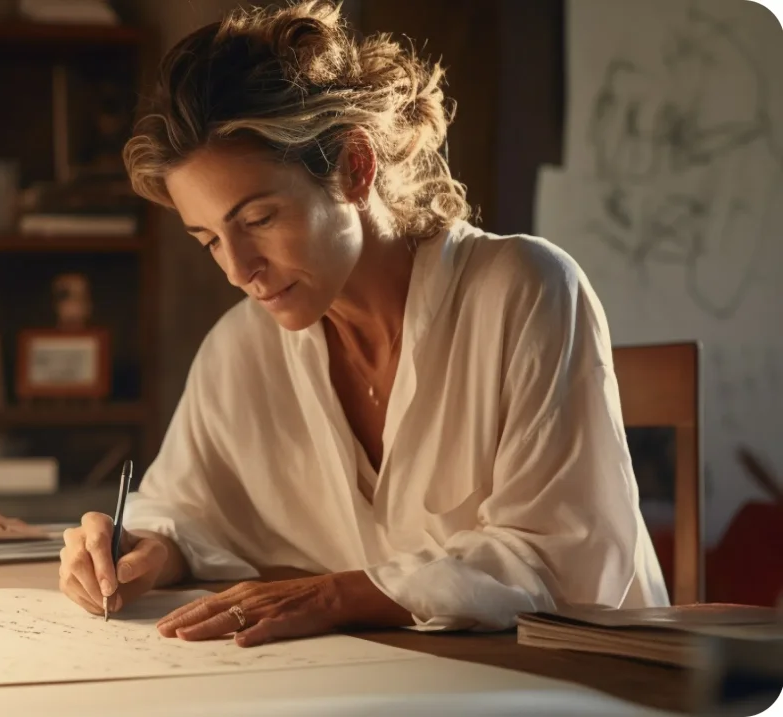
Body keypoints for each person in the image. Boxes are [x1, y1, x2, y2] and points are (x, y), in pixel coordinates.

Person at [57, 0, 668, 647]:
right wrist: (142, 545)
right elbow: (184, 507)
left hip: (590, 680)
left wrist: (336, 592)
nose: (239, 269)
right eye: (209, 238)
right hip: (404, 680)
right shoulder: (242, 348)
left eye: (259, 219)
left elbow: (566, 560)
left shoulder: (523, 288)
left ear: (354, 166)